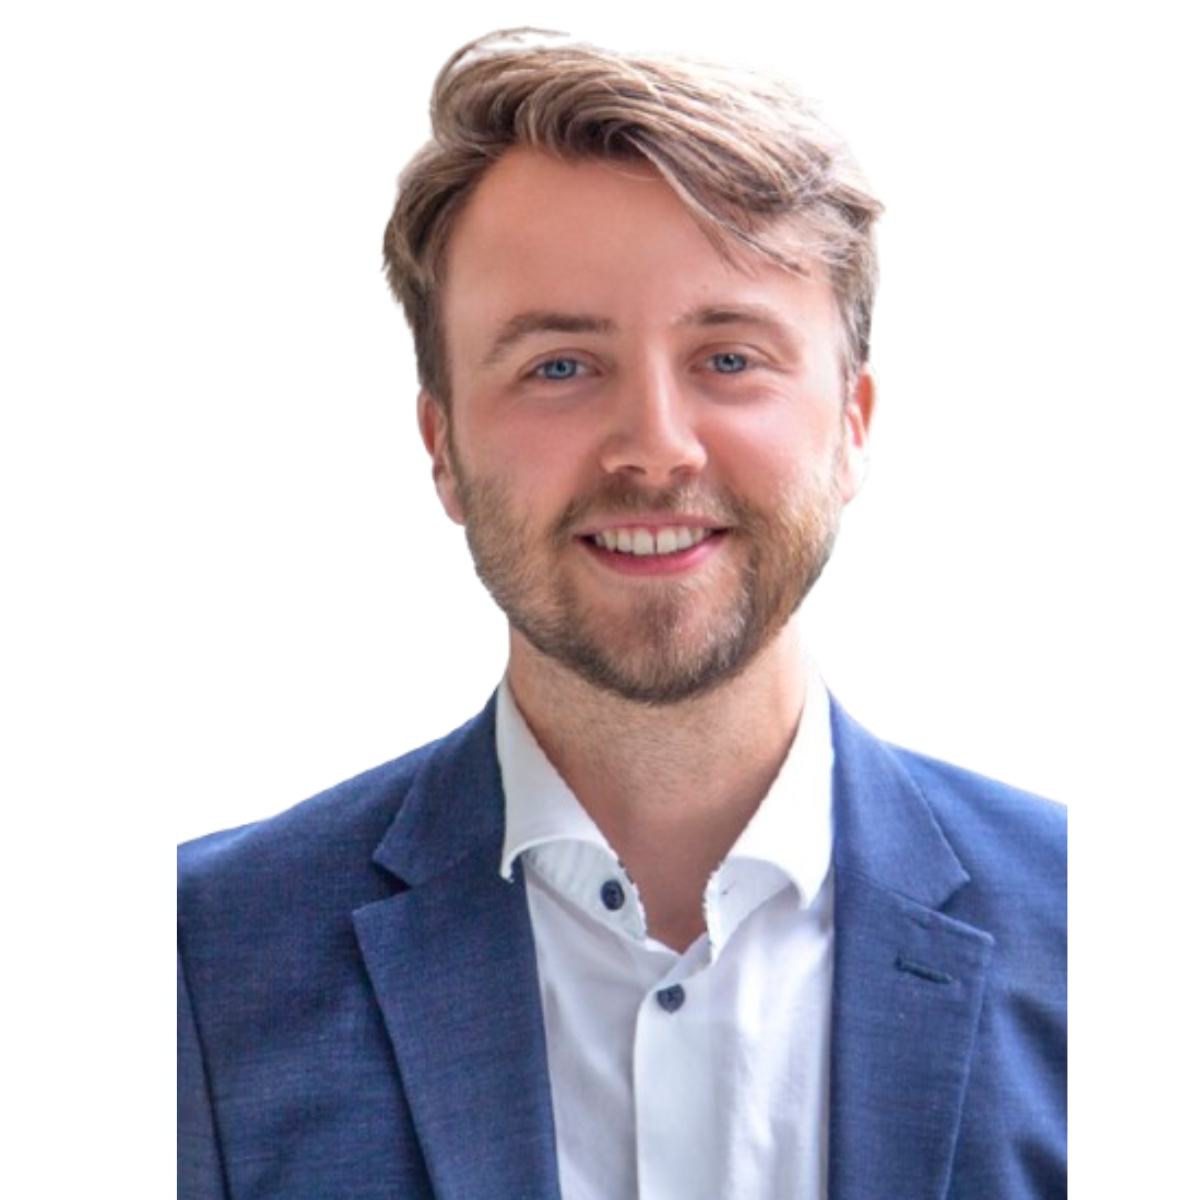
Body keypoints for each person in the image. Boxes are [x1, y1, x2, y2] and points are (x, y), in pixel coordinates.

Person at [178, 29, 1066, 1200]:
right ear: (442, 446)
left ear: (853, 426)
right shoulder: (189, 965)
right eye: (559, 366)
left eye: (730, 359)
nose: (655, 446)